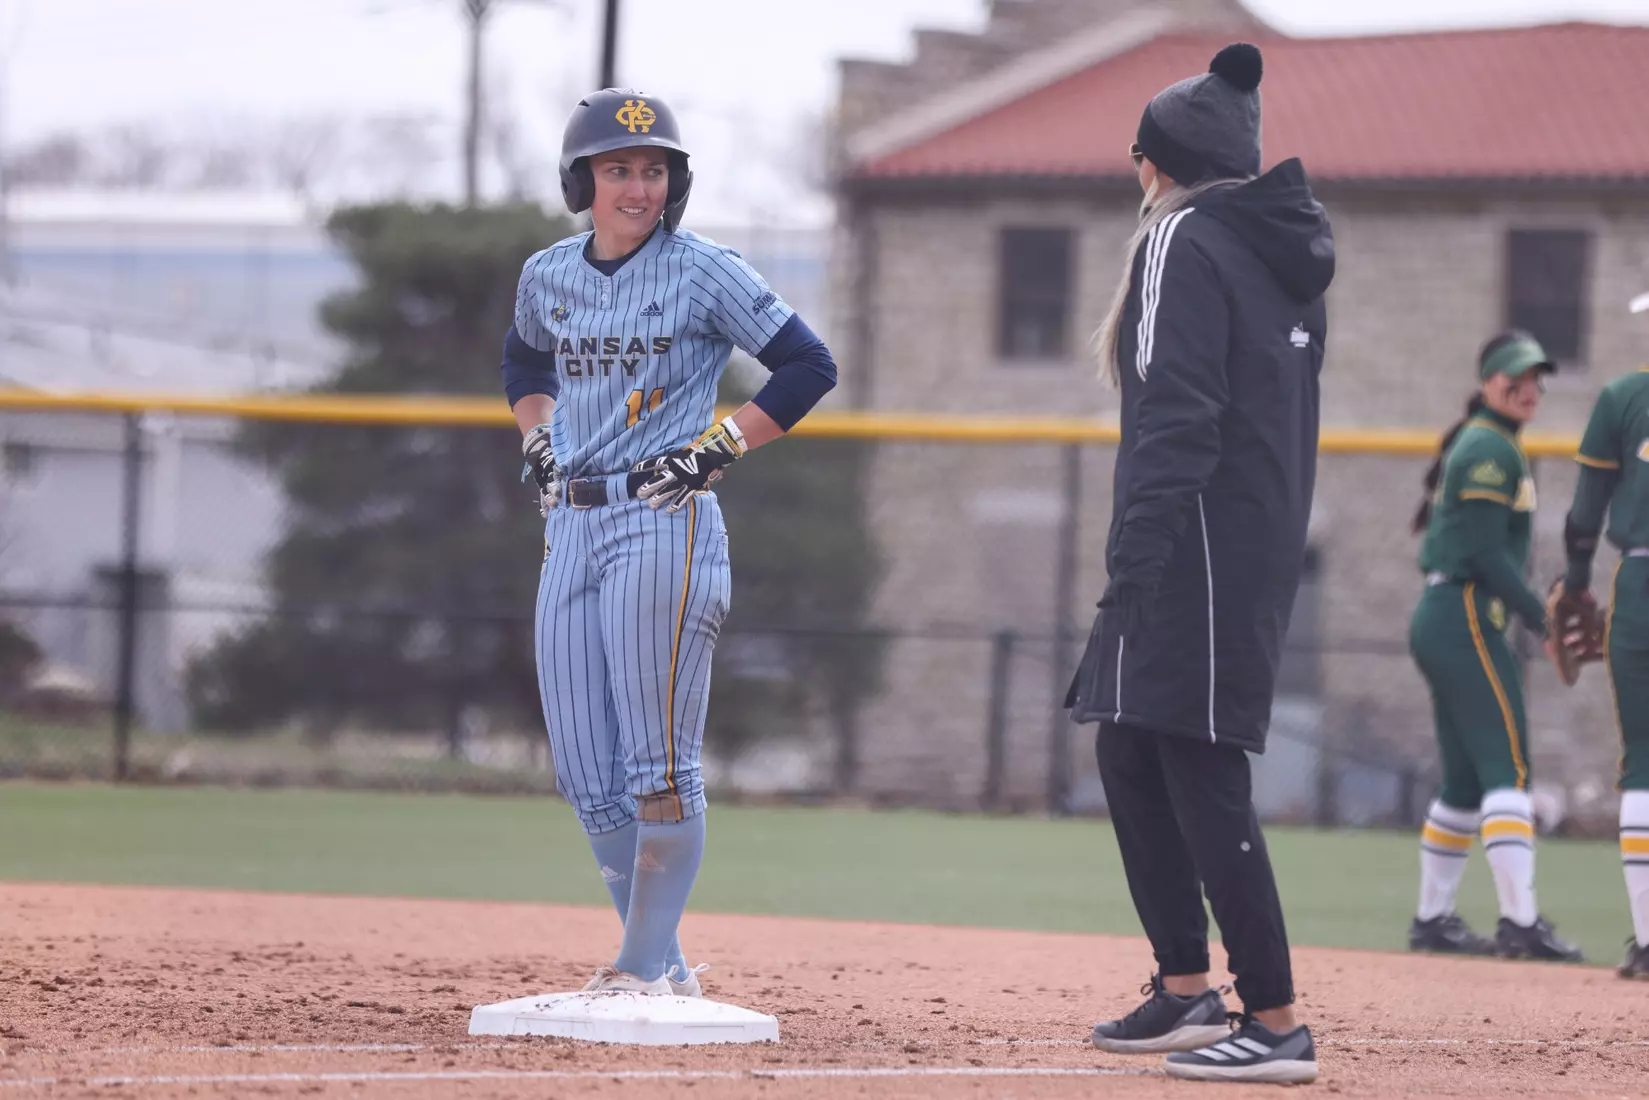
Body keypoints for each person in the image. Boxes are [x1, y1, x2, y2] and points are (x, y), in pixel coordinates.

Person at [499, 88, 836, 996]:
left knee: (655, 762)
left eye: (654, 170)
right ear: (581, 182)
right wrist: (536, 435)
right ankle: (666, 966)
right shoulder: (548, 274)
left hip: (661, 516)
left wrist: (720, 445)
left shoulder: (702, 270)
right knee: (582, 768)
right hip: (570, 519)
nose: (638, 187)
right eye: (617, 170)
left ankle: (641, 967)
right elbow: (524, 358)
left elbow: (808, 364)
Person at [1065, 42, 1333, 1086]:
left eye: (1139, 154)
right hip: (1238, 538)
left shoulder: (1182, 237)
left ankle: (1274, 1019)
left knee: (1198, 764)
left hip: (1193, 543)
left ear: (1160, 161)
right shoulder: (1273, 246)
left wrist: (1135, 553)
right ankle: (1185, 986)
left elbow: (1179, 413)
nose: (1135, 171)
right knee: (1127, 746)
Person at [1404, 331, 1583, 963]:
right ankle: (1520, 923)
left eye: (1536, 378)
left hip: (1450, 615)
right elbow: (1483, 553)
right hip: (1466, 615)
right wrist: (1541, 619)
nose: (1528, 388)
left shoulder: (1493, 441)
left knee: (1463, 781)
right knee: (1509, 767)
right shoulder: (1489, 447)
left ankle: (1433, 919)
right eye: (1516, 377)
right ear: (1488, 384)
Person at [1552, 297, 1649, 980]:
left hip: (1638, 581)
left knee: (1643, 760)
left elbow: (1584, 516)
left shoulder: (1623, 397)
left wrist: (1579, 583)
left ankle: (1647, 940)